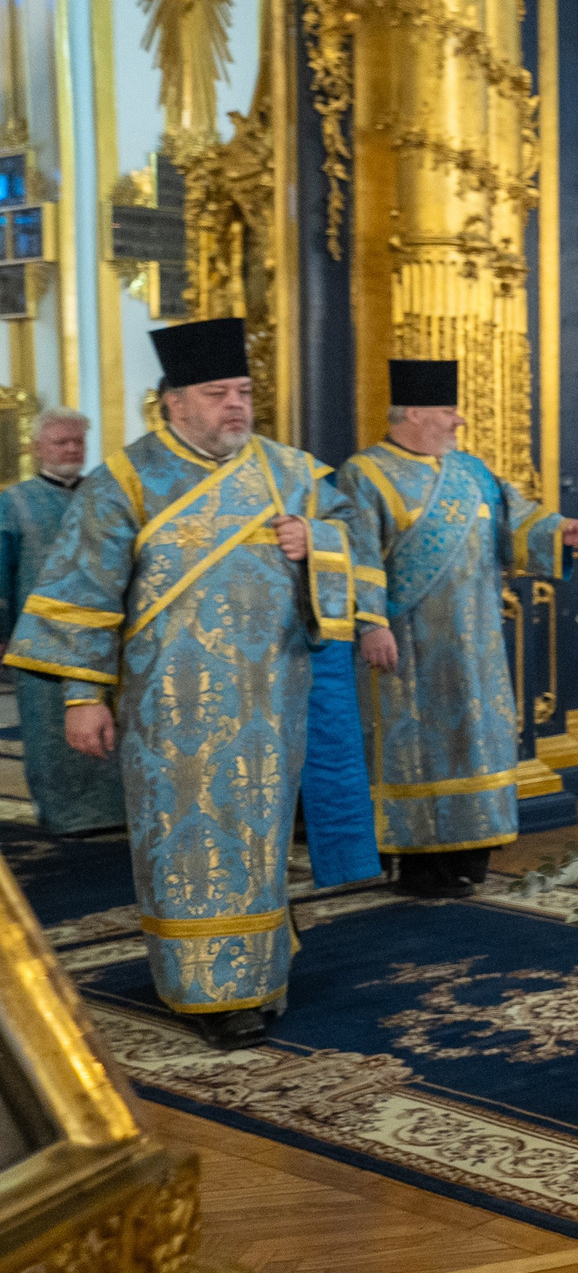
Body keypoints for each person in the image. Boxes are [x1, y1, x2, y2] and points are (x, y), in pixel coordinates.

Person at [3, 318, 375, 1049]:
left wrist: (318, 544)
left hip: (272, 701)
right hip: (167, 711)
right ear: (173, 400)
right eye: (216, 393)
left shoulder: (289, 470)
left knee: (261, 843)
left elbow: (353, 538)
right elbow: (84, 587)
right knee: (186, 850)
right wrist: (83, 696)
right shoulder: (127, 480)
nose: (235, 405)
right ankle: (205, 990)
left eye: (242, 391)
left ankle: (260, 974)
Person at [344, 360, 578, 899]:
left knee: (474, 747)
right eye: (447, 410)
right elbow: (358, 556)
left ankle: (471, 858)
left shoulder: (474, 474)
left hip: (478, 644)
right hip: (408, 647)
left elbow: (521, 522)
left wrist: (562, 530)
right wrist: (371, 623)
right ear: (412, 413)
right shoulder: (364, 475)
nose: (458, 420)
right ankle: (418, 867)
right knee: (417, 749)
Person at [0, 410, 125, 835]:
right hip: (40, 639)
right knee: (50, 727)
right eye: (60, 443)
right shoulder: (13, 502)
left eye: (78, 442)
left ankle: (113, 812)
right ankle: (64, 815)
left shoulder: (106, 496)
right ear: (37, 448)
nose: (71, 450)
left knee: (108, 719)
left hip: (101, 635)